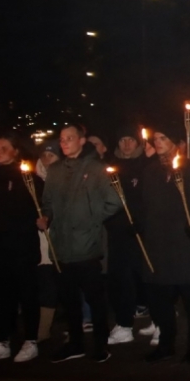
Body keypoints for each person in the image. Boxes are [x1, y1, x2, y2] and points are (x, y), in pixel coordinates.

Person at [42, 125, 121, 363]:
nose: (65, 143)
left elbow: (114, 201)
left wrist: (90, 218)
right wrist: (46, 217)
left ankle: (100, 344)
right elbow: (47, 202)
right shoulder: (54, 171)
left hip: (86, 246)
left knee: (94, 299)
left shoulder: (95, 169)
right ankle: (75, 343)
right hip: (61, 247)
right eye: (62, 139)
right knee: (69, 301)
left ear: (81, 140)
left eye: (70, 138)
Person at [136, 128, 190, 363]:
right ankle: (166, 343)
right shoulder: (150, 171)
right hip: (158, 244)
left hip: (183, 243)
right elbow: (145, 204)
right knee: (159, 300)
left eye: (163, 138)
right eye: (155, 139)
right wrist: (140, 223)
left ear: (176, 142)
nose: (157, 142)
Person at [0, 133, 44, 363]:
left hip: (22, 247)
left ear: (16, 150)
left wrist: (44, 218)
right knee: (1, 297)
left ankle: (31, 340)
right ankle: (2, 340)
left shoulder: (27, 177)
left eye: (5, 147)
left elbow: (41, 206)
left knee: (28, 295)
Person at [101, 126, 149, 348]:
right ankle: (124, 324)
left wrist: (140, 220)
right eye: (122, 140)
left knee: (146, 278)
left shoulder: (146, 165)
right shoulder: (111, 167)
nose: (127, 144)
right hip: (118, 233)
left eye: (130, 139)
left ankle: (159, 321)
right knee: (120, 279)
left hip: (141, 232)